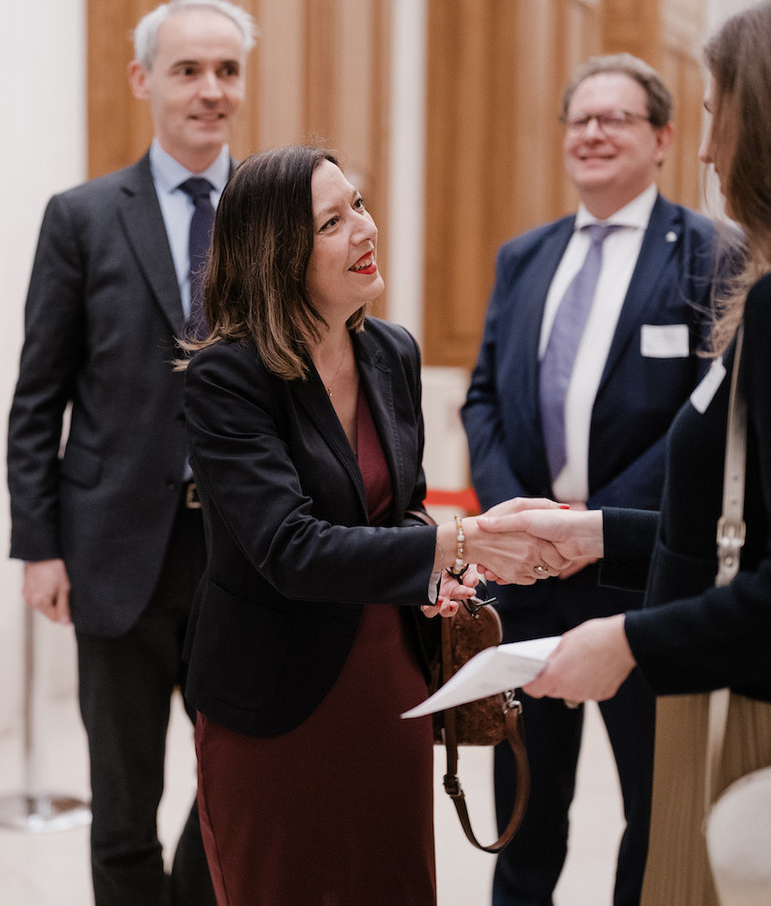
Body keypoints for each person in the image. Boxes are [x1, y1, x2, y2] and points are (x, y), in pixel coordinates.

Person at [474, 0, 771, 906]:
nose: (709, 147)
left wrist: (630, 639)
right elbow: (763, 520)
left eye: (718, 113)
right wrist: (605, 534)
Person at [182, 144, 566, 905]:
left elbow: (403, 505)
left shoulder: (391, 352)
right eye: (333, 221)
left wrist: (445, 563)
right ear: (278, 256)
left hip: (389, 682)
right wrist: (463, 537)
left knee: (393, 883)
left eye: (358, 204)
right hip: (275, 698)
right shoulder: (228, 376)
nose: (366, 229)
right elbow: (288, 548)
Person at [5, 0, 256, 906]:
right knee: (122, 802)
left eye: (227, 70)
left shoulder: (275, 216)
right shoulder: (81, 217)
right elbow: (39, 395)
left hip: (245, 548)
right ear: (143, 79)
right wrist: (38, 543)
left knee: (237, 780)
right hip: (114, 551)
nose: (210, 89)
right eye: (188, 69)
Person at [459, 52, 722, 906]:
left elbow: (703, 422)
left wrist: (592, 527)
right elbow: (485, 398)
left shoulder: (713, 255)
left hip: (645, 581)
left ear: (663, 139)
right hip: (526, 585)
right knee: (524, 810)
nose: (595, 133)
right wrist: (520, 522)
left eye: (618, 119)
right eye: (582, 119)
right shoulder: (523, 256)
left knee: (654, 808)